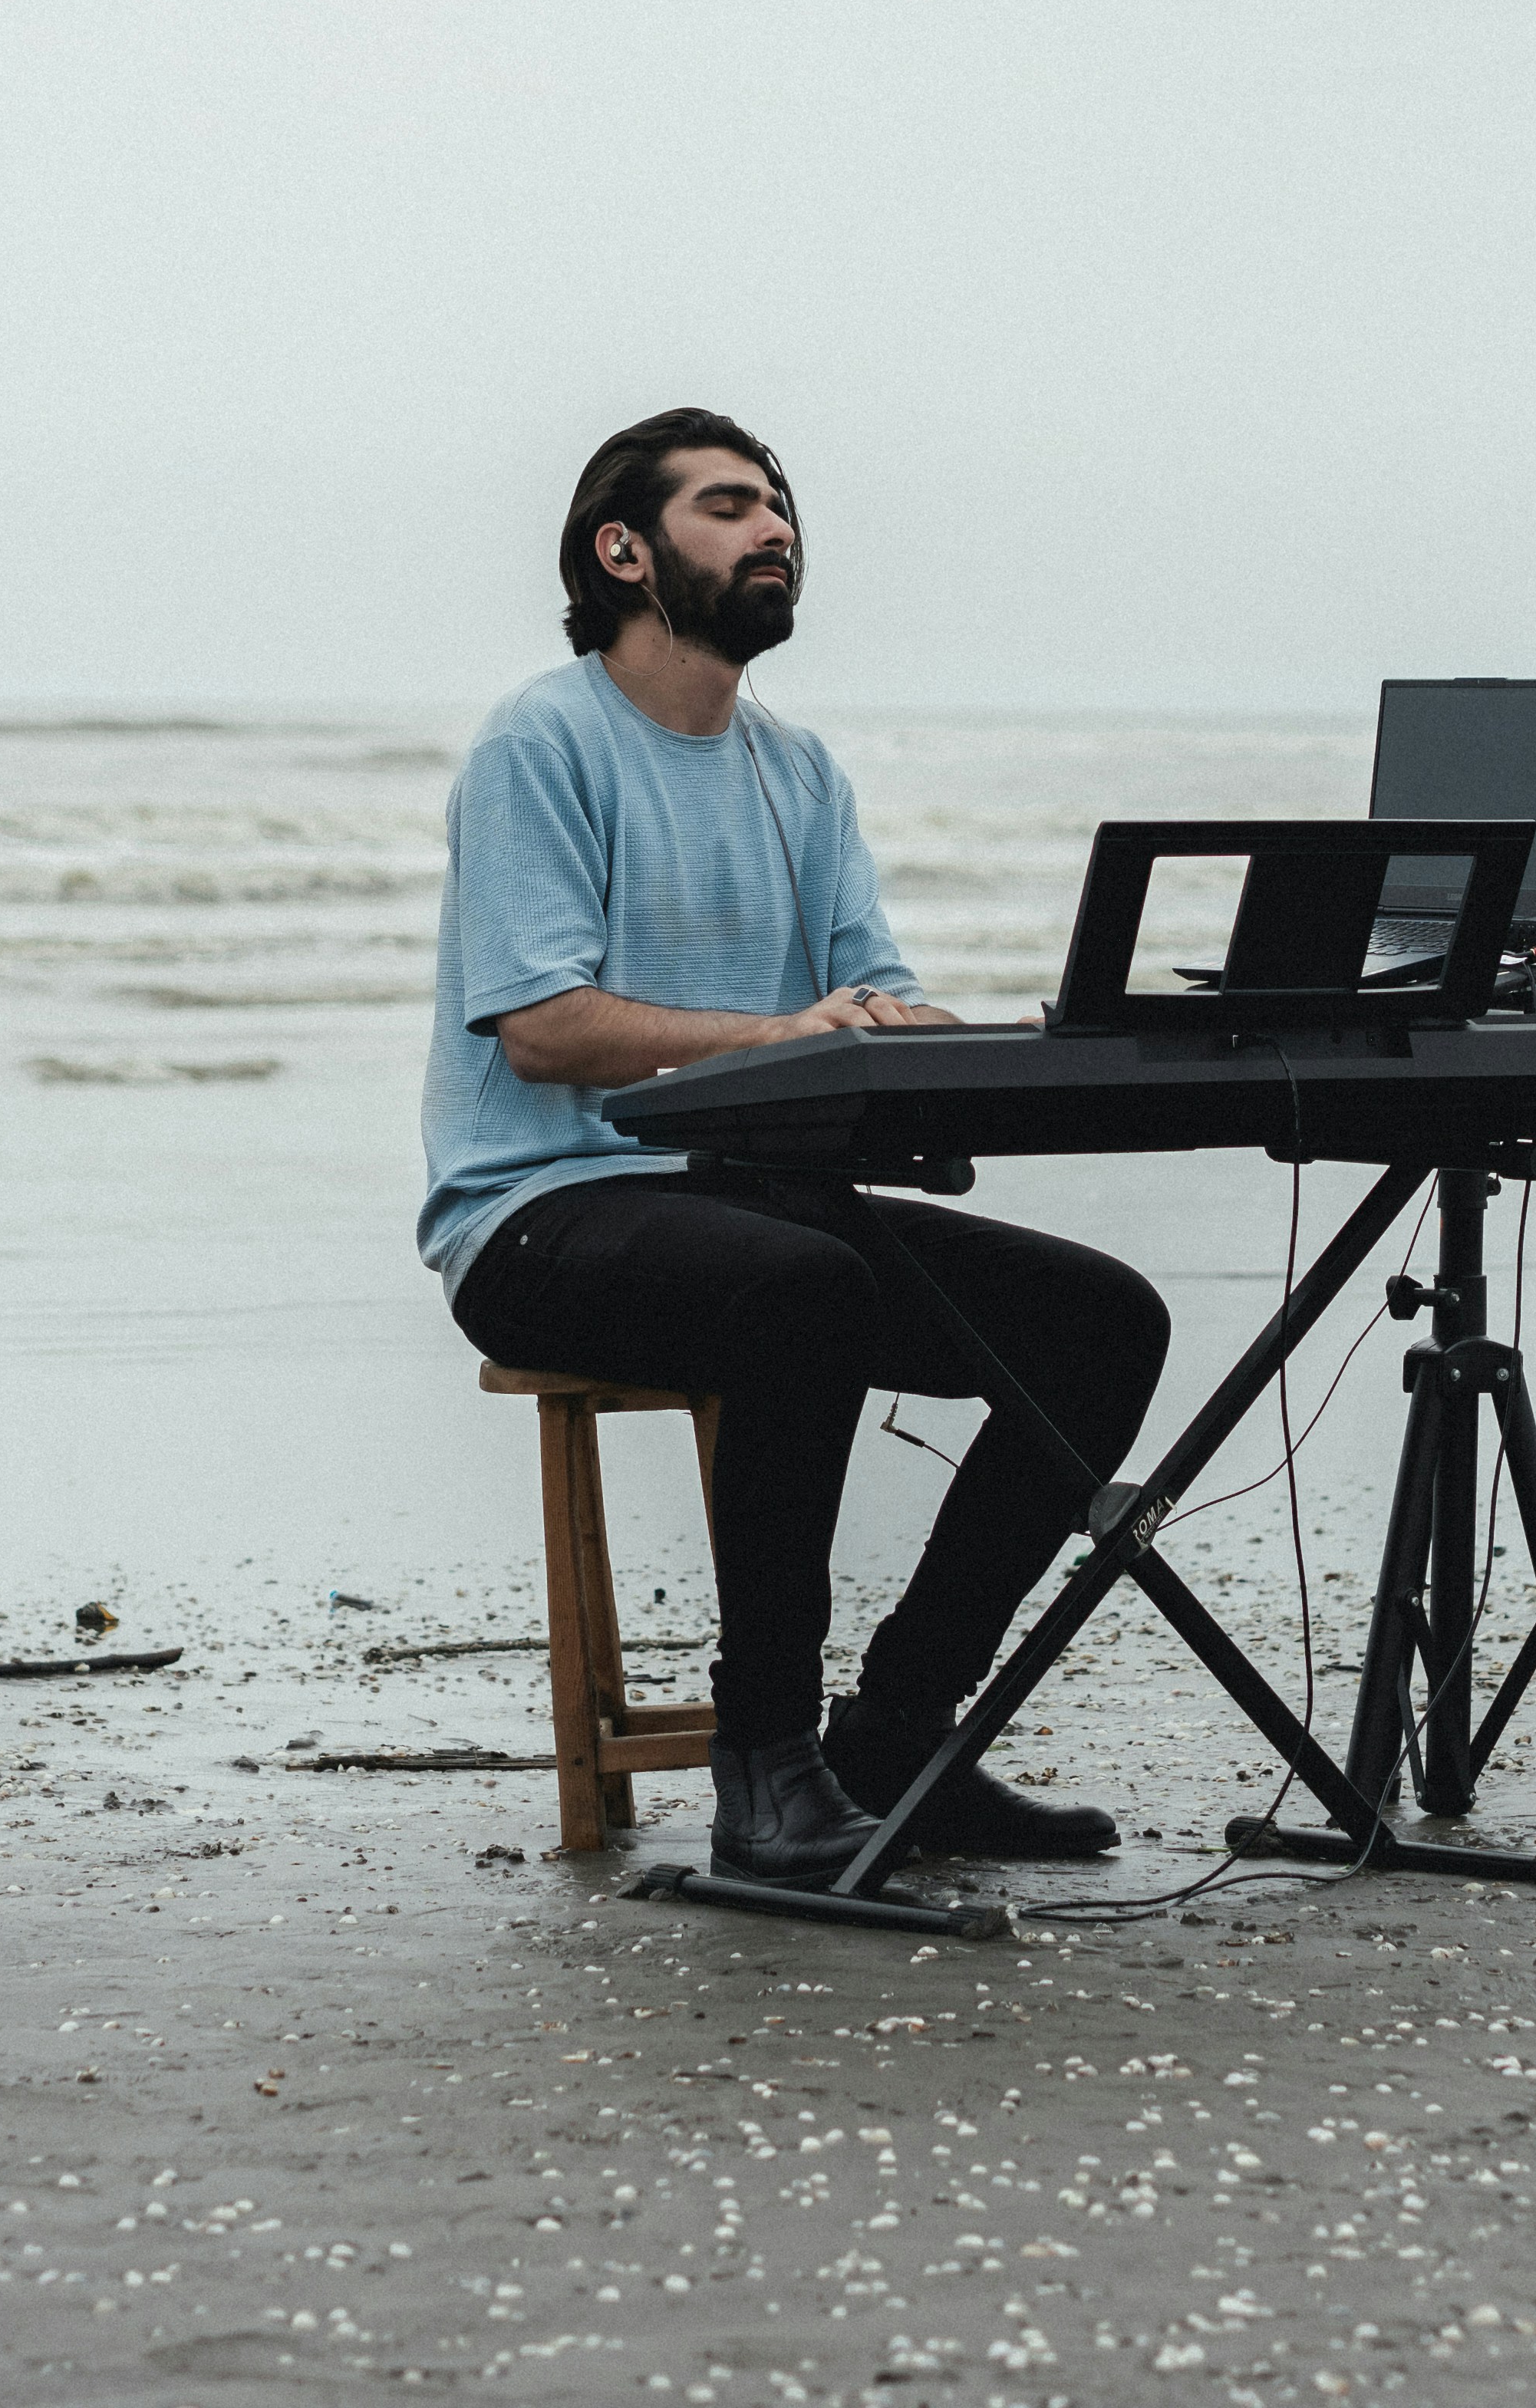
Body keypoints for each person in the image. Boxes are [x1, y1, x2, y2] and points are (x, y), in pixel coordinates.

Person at [417, 407, 1168, 1886]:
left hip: (758, 1203)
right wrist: (782, 1036)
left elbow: (863, 997)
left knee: (1100, 1322)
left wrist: (987, 1042)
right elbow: (545, 1033)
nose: (775, 532)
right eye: (728, 507)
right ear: (623, 551)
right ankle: (765, 1768)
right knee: (799, 1294)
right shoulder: (542, 742)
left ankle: (898, 1740)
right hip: (538, 1214)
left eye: (781, 509)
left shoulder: (797, 767)